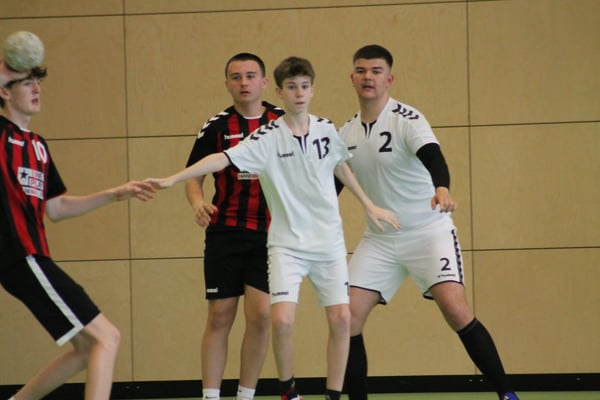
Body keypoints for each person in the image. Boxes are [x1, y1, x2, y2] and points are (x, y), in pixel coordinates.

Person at [145, 56, 400, 400]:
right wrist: (174, 180)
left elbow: (341, 165)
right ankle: (280, 390)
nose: (299, 93)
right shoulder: (260, 135)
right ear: (279, 91)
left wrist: (369, 205)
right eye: (292, 87)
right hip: (271, 241)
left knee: (336, 319)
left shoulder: (325, 128)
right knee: (265, 319)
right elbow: (220, 159)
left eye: (305, 86)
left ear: (310, 90)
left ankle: (321, 395)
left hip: (320, 242)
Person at [338, 44, 520, 400]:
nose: (368, 77)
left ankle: (507, 394)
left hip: (428, 232)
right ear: (352, 78)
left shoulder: (407, 119)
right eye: (361, 70)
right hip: (380, 239)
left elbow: (433, 156)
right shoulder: (345, 133)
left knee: (455, 309)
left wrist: (442, 188)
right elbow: (334, 187)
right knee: (346, 319)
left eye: (376, 71)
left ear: (389, 79)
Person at [0, 59, 156, 400]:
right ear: (5, 92)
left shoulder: (38, 146)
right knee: (108, 337)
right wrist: (6, 69)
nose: (37, 88)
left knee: (87, 349)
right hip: (18, 255)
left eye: (37, 82)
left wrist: (114, 194)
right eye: (26, 82)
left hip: (34, 257)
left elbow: (57, 209)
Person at [184, 53, 284, 400]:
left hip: (271, 235)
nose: (244, 83)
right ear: (226, 83)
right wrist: (198, 203)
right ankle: (211, 395)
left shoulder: (282, 122)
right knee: (220, 315)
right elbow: (193, 177)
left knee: (260, 316)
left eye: (251, 76)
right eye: (236, 77)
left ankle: (246, 394)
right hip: (225, 232)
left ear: (265, 82)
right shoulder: (216, 126)